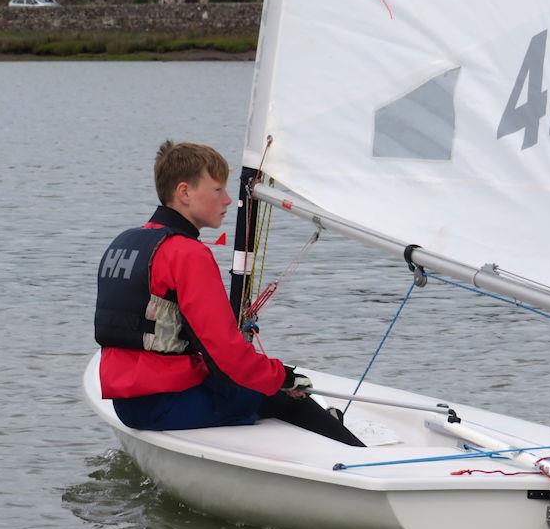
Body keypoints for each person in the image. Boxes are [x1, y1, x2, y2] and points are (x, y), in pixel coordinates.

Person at [95, 139, 364, 446]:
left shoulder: (124, 243)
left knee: (258, 386)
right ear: (184, 193)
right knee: (287, 397)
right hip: (164, 404)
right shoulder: (187, 254)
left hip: (126, 403)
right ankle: (362, 458)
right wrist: (283, 377)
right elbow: (226, 354)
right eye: (217, 190)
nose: (226, 200)